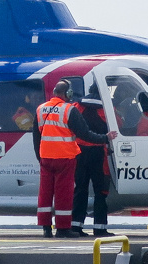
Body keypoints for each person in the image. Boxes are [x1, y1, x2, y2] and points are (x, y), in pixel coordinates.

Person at [33, 80, 115, 238]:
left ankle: (47, 228)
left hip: (46, 158)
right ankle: (63, 228)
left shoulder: (41, 109)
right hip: (66, 157)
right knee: (65, 193)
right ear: (68, 93)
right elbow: (85, 133)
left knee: (46, 193)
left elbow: (36, 136)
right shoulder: (69, 110)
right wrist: (105, 138)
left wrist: (40, 156)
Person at [71, 84, 114, 237]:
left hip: (79, 152)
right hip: (99, 153)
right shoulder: (107, 109)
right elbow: (118, 125)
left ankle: (75, 226)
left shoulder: (76, 106)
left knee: (80, 189)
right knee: (101, 191)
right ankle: (100, 228)